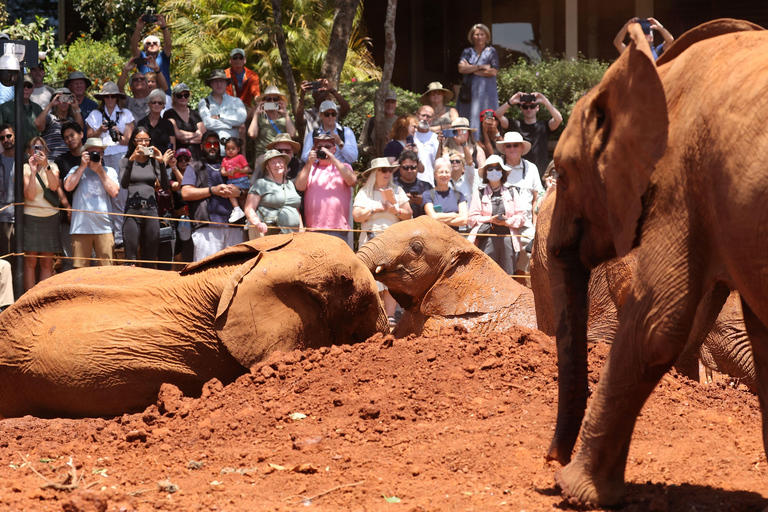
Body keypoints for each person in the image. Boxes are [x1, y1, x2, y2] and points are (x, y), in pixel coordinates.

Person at [353, 157, 412, 325]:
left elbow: (409, 213)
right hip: (370, 240)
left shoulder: (397, 190)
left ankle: (391, 315)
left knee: (391, 276)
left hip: (392, 239)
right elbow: (356, 216)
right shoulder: (365, 192)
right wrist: (374, 208)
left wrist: (396, 210)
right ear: (374, 173)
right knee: (370, 276)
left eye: (389, 170)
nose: (387, 173)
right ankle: (374, 315)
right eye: (383, 170)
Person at [180, 131, 245, 261]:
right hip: (207, 228)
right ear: (202, 146)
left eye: (215, 143)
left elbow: (250, 190)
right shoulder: (195, 166)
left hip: (234, 227)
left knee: (235, 270)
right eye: (208, 144)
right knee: (206, 272)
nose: (212, 146)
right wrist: (213, 190)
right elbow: (186, 193)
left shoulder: (230, 163)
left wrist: (240, 193)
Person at [63, 138, 120, 268]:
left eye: (99, 153)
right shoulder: (76, 170)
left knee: (106, 270)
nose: (96, 156)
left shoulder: (109, 171)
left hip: (104, 228)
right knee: (79, 271)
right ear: (85, 154)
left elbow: (114, 192)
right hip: (80, 228)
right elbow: (68, 187)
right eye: (92, 153)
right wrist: (82, 166)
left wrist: (100, 171)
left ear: (103, 155)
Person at [118, 126, 170, 267]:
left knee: (150, 255)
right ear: (134, 142)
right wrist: (131, 160)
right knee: (131, 256)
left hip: (151, 209)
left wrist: (161, 162)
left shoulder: (153, 161)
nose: (144, 143)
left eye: (146, 139)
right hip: (132, 210)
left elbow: (165, 186)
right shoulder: (125, 161)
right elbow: (124, 184)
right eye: (140, 140)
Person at [467, 155, 526, 275]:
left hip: (508, 240)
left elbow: (522, 216)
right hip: (486, 239)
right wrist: (490, 219)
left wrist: (506, 221)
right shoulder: (479, 194)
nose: (494, 171)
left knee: (508, 276)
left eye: (497, 168)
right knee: (487, 276)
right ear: (485, 173)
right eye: (490, 168)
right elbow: (471, 219)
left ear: (502, 172)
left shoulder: (512, 192)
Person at [295, 133, 356, 243]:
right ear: (314, 150)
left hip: (338, 229)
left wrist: (334, 160)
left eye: (327, 147)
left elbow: (352, 181)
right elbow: (299, 186)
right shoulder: (310, 168)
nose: (323, 149)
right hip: (313, 229)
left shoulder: (344, 167)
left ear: (334, 149)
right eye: (319, 147)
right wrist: (309, 162)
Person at [497, 131, 543, 271]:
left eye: (515, 145)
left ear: (522, 147)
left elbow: (537, 197)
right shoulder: (495, 166)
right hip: (501, 225)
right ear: (504, 149)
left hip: (526, 225)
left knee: (532, 260)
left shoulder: (531, 168)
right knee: (502, 266)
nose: (512, 149)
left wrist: (535, 224)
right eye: (508, 146)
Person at [22, 137, 60, 290]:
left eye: (41, 147)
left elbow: (54, 186)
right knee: (30, 262)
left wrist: (45, 166)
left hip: (50, 217)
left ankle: (42, 299)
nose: (38, 150)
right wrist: (32, 171)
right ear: (28, 151)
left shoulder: (53, 166)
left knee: (46, 262)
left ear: (46, 150)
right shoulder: (24, 168)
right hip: (31, 216)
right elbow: (30, 196)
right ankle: (28, 299)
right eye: (34, 147)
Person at [495, 91, 562, 177]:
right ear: (521, 108)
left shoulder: (544, 125)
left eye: (532, 106)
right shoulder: (515, 125)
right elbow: (496, 116)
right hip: (519, 173)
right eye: (525, 107)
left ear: (537, 108)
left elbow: (558, 119)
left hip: (541, 173)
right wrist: (510, 101)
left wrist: (545, 100)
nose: (529, 109)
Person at [244, 149, 302, 238]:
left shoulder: (290, 184)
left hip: (292, 234)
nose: (278, 165)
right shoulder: (260, 183)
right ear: (267, 167)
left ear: (285, 165)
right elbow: (249, 208)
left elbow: (295, 208)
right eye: (273, 163)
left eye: (280, 161)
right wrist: (258, 223)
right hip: (267, 234)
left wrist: (301, 228)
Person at [457, 23, 499, 132]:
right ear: (472, 37)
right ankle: (472, 143)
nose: (479, 37)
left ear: (487, 36)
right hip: (469, 93)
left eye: (482, 34)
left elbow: (493, 72)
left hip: (487, 93)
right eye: (476, 34)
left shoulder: (491, 51)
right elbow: (461, 69)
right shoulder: (467, 52)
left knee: (488, 119)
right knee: (469, 118)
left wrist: (471, 69)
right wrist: (481, 67)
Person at [54, 121, 83, 271]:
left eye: (72, 135)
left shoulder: (92, 158)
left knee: (91, 261)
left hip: (89, 216)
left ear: (81, 135)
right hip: (68, 215)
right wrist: (67, 207)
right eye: (66, 137)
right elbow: (58, 187)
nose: (69, 139)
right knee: (69, 261)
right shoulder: (61, 160)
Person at [247, 85, 296, 172]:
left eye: (275, 99)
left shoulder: (285, 118)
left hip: (282, 154)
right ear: (264, 102)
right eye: (269, 99)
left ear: (280, 101)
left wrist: (286, 114)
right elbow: (252, 134)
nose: (272, 101)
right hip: (264, 155)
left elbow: (292, 134)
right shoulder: (260, 117)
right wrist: (256, 113)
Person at [199, 70, 247, 153]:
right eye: (215, 81)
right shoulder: (204, 102)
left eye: (221, 81)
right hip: (213, 152)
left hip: (233, 152)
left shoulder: (236, 101)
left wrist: (220, 117)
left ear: (226, 83)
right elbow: (208, 124)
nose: (219, 84)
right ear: (211, 84)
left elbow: (241, 119)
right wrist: (231, 125)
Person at [300, 100, 357, 166]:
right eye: (327, 114)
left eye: (333, 114)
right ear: (320, 115)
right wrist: (315, 152)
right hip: (320, 173)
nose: (330, 117)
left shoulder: (346, 132)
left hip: (341, 173)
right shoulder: (312, 134)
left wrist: (340, 143)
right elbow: (304, 158)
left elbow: (353, 158)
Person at [295, 78, 351, 143]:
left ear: (327, 93)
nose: (318, 91)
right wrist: (302, 95)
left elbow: (346, 108)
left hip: (332, 149)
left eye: (321, 90)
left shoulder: (333, 112)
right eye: (316, 89)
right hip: (313, 148)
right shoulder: (308, 113)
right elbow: (299, 119)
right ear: (313, 94)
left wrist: (331, 89)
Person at [35, 88, 85, 159]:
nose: (63, 102)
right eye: (60, 99)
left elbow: (80, 130)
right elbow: (37, 124)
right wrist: (51, 104)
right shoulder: (50, 117)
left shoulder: (72, 120)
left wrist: (76, 108)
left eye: (67, 99)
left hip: (68, 161)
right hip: (52, 160)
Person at [117, 55, 169, 121]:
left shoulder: (152, 100)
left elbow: (164, 88)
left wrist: (156, 69)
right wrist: (125, 70)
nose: (139, 80)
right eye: (135, 79)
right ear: (131, 87)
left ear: (147, 85)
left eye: (142, 79)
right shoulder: (128, 101)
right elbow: (119, 89)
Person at [423, 157, 467, 230]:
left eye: (447, 172)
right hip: (435, 237)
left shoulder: (459, 195)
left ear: (450, 174)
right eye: (441, 172)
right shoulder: (428, 194)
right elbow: (432, 217)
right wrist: (455, 215)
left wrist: (439, 218)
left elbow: (464, 220)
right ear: (435, 174)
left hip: (454, 237)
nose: (444, 175)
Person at [131, 15, 172, 92]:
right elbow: (133, 47)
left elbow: (168, 45)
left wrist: (163, 26)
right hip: (146, 98)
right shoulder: (142, 58)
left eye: (155, 43)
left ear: (159, 47)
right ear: (145, 48)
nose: (152, 44)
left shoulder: (163, 58)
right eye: (148, 43)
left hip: (164, 97)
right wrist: (138, 28)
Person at [164, 83, 204, 161]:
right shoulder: (169, 114)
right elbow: (178, 135)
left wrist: (186, 140)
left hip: (197, 157)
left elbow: (203, 137)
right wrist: (196, 134)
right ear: (174, 98)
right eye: (179, 95)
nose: (183, 98)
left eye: (186, 95)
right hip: (180, 159)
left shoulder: (195, 113)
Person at [0, 74, 41, 148]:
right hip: (12, 153)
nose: (26, 89)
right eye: (23, 85)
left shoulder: (37, 109)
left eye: (29, 86)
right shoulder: (5, 108)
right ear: (17, 87)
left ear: (33, 88)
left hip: (33, 153)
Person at [359, 89, 398, 159]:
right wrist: (373, 149)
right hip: (375, 165)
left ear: (396, 104)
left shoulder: (400, 122)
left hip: (394, 165)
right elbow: (360, 147)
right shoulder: (371, 122)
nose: (390, 105)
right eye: (387, 102)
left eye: (392, 102)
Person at [220, 137, 251, 222]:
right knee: (241, 200)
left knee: (231, 191)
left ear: (238, 149)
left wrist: (239, 170)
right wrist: (228, 173)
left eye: (233, 148)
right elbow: (222, 171)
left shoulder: (240, 157)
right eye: (228, 149)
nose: (230, 151)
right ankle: (248, 217)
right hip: (231, 181)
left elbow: (247, 169)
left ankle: (237, 209)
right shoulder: (225, 159)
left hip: (242, 180)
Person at [392, 150, 431, 218]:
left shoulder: (427, 186)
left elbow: (437, 208)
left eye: (413, 167)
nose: (409, 171)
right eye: (405, 168)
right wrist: (403, 202)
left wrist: (425, 202)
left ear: (417, 167)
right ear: (400, 168)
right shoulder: (392, 185)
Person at [137, 89, 175, 153]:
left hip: (165, 160)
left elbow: (172, 148)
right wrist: (156, 154)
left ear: (163, 105)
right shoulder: (142, 123)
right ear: (149, 104)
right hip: (146, 160)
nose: (157, 105)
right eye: (154, 102)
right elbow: (139, 147)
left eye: (160, 103)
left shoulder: (168, 124)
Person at [413, 106, 439, 187]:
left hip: (429, 184)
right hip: (410, 183)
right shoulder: (410, 135)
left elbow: (438, 163)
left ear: (433, 119)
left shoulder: (436, 139)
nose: (425, 118)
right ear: (417, 115)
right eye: (423, 115)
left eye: (428, 116)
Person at [0, 124, 16, 261]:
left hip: (26, 216)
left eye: (9, 136)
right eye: (2, 138)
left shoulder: (25, 159)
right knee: (5, 257)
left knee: (24, 258)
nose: (6, 139)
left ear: (15, 136)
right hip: (3, 217)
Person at [446, 149, 478, 213]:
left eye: (458, 161)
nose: (454, 162)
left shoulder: (468, 179)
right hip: (450, 219)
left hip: (466, 220)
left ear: (463, 168)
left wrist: (464, 143)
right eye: (451, 161)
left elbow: (469, 163)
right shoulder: (445, 181)